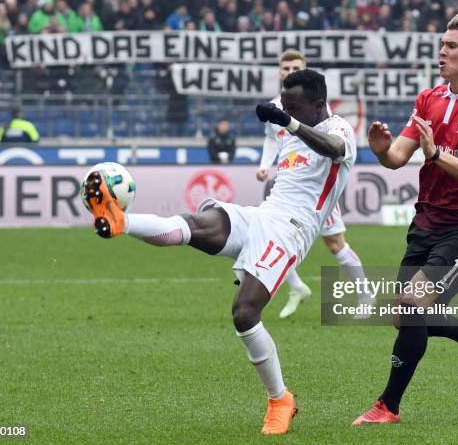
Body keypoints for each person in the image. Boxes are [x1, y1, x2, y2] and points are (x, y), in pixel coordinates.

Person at [84, 69, 356, 435]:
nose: (286, 110)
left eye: (294, 106)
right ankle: (120, 222)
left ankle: (280, 400)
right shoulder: (292, 125)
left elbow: (334, 151)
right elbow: (278, 118)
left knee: (244, 313)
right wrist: (278, 116)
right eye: (284, 104)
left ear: (318, 105)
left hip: (293, 231)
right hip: (263, 215)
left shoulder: (339, 130)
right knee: (194, 226)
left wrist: (287, 121)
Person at [353, 9, 458, 425]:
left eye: (451, 46)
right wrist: (381, 148)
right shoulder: (429, 99)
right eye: (441, 45)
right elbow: (397, 158)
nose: (442, 52)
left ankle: (388, 406)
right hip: (426, 223)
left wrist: (436, 154)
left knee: (412, 302)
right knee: (405, 314)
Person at [257, 49, 370, 319]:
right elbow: (273, 138)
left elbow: (327, 139)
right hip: (290, 183)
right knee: (269, 235)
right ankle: (297, 287)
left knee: (335, 244)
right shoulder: (276, 106)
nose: (290, 72)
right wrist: (264, 164)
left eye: (296, 67)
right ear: (280, 72)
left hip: (317, 187)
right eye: (286, 69)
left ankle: (366, 293)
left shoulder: (314, 107)